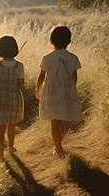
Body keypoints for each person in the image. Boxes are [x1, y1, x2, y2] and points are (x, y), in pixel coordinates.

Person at [35, 25, 82, 158]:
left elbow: (41, 76)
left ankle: (59, 149)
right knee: (61, 120)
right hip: (67, 91)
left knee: (54, 121)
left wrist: (38, 90)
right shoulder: (73, 57)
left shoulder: (47, 57)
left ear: (51, 40)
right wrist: (71, 91)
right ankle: (59, 147)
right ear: (69, 41)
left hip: (50, 91)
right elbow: (74, 77)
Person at [0, 35, 25, 160]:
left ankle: (0, 152)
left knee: (0, 127)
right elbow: (22, 83)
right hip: (13, 97)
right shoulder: (19, 65)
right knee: (11, 124)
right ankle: (11, 146)